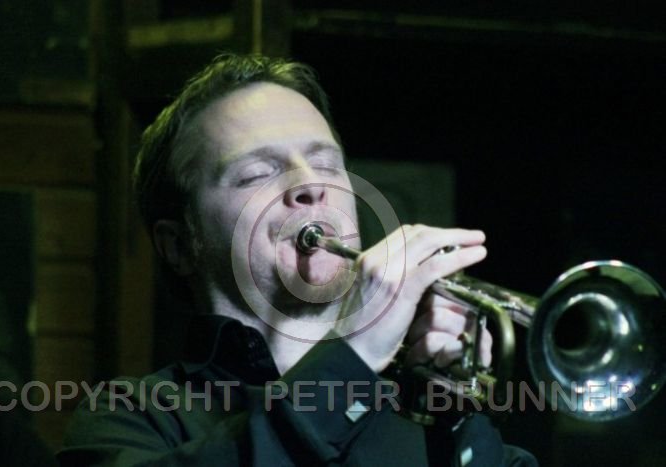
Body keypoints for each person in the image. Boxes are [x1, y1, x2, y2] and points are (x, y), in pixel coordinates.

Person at [57, 54, 537, 466]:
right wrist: (352, 356)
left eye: (326, 164)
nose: (311, 185)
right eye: (257, 173)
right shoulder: (133, 417)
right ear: (180, 244)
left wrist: (455, 417)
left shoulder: (427, 415)